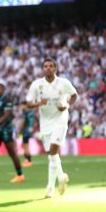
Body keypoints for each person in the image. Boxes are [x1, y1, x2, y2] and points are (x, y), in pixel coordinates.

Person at [26, 57, 77, 198]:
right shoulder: (37, 85)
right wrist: (39, 103)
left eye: (50, 66)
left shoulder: (63, 83)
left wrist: (66, 105)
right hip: (45, 122)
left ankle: (51, 187)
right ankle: (59, 179)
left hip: (60, 120)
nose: (48, 68)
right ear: (43, 69)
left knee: (53, 150)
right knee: (51, 155)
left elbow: (74, 95)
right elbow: (28, 103)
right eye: (45, 66)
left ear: (55, 69)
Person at [18, 101, 36, 167]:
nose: (21, 107)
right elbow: (33, 121)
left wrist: (19, 130)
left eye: (22, 106)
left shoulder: (25, 113)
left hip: (25, 131)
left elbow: (23, 122)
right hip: (28, 131)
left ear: (25, 105)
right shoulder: (30, 112)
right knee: (24, 145)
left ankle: (28, 160)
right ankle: (27, 160)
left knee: (25, 146)